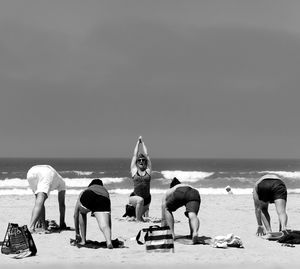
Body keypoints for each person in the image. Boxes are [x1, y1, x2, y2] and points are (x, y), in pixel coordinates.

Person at [73, 179, 113, 249]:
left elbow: (75, 215)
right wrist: (110, 234)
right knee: (104, 225)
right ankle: (109, 241)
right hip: (103, 199)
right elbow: (108, 217)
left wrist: (77, 233)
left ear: (90, 185)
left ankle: (83, 240)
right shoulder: (105, 191)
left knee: (81, 212)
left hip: (88, 196)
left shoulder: (86, 190)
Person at [27, 165, 67, 233]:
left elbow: (40, 204)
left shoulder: (57, 178)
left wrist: (43, 223)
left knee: (39, 201)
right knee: (40, 200)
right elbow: (62, 204)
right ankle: (31, 226)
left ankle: (43, 226)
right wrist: (62, 223)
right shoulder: (63, 183)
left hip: (31, 172)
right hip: (46, 172)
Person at [161, 177, 201, 244]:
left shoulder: (171, 189)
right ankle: (194, 233)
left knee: (167, 209)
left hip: (180, 192)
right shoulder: (187, 185)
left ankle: (171, 234)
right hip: (194, 193)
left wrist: (163, 224)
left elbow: (163, 205)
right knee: (192, 214)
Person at [129, 136, 152, 221]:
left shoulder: (148, 171)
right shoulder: (134, 170)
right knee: (140, 200)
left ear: (146, 162)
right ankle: (138, 221)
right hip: (135, 198)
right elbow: (135, 155)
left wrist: (143, 143)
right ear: (137, 162)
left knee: (143, 216)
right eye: (139, 160)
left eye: (143, 160)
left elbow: (147, 155)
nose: (141, 161)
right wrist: (138, 143)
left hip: (147, 200)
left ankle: (138, 217)